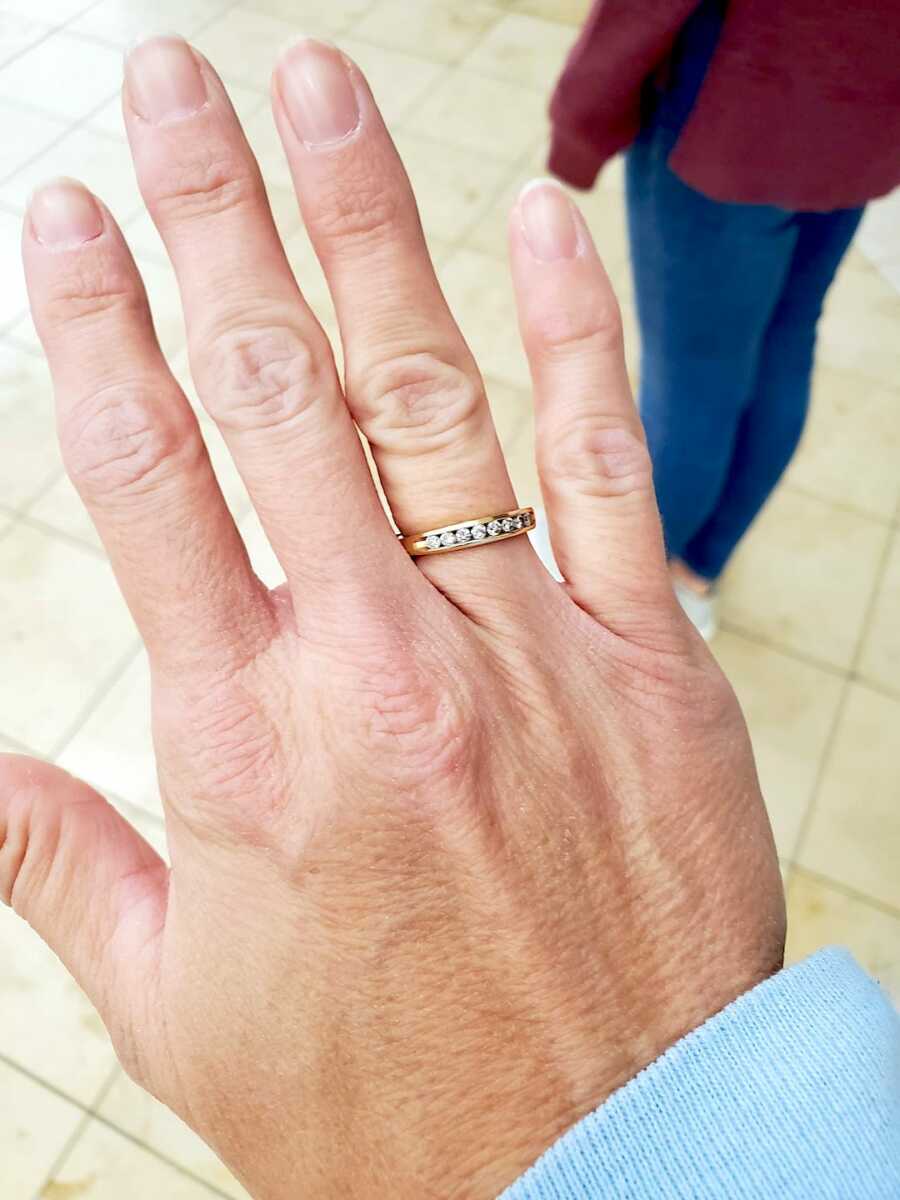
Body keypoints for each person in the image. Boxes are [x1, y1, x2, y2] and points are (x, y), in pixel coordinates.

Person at [3, 35, 899, 1200]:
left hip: (736, 127)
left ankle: (666, 585)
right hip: (869, 131)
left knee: (693, 366)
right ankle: (696, 566)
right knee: (785, 346)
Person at [549, 0, 900, 638]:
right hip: (870, 114)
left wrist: (583, 116)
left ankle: (622, 600)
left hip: (737, 103)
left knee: (693, 382)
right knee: (784, 345)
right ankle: (697, 573)